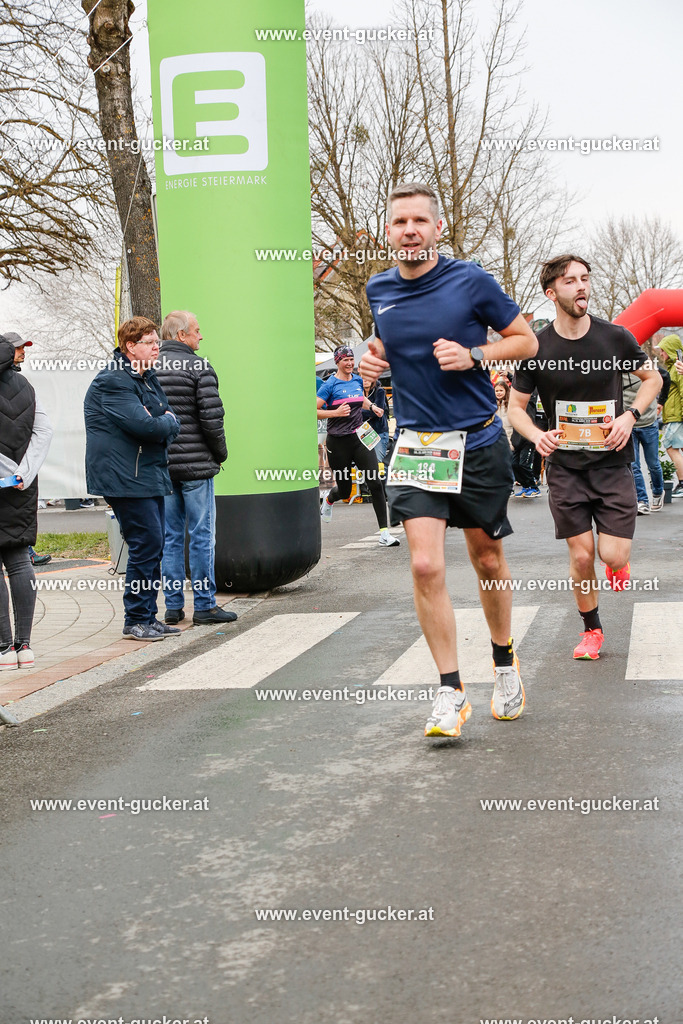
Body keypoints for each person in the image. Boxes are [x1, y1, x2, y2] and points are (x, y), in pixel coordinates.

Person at [360, 182, 538, 737]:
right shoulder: (378, 288)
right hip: (417, 445)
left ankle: (505, 663)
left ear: (437, 229)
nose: (408, 230)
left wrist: (475, 354)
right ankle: (449, 692)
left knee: (486, 560)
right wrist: (374, 358)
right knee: (424, 565)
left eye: (419, 221)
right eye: (398, 222)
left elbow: (526, 341)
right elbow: (389, 338)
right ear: (387, 232)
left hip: (479, 442)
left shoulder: (470, 281)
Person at [508, 255, 662, 661]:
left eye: (585, 279)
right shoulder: (536, 348)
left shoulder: (615, 338)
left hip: (611, 465)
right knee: (580, 555)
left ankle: (618, 564)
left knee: (611, 554)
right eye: (571, 281)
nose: (582, 287)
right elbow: (515, 409)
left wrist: (630, 416)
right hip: (565, 469)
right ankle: (591, 631)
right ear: (551, 292)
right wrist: (537, 436)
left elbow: (653, 378)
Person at [84, 317, 182, 642]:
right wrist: (163, 422)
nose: (157, 347)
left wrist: (163, 421)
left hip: (149, 472)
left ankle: (148, 616)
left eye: (157, 341)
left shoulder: (148, 378)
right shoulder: (113, 381)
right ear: (130, 346)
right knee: (146, 543)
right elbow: (150, 426)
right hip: (124, 476)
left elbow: (168, 419)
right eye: (150, 342)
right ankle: (136, 618)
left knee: (155, 543)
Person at [155, 311, 236, 626]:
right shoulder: (199, 367)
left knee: (171, 536)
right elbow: (212, 420)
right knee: (201, 535)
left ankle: (173, 608)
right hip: (196, 467)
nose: (200, 336)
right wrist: (220, 455)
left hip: (163, 466)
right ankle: (204, 606)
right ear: (180, 335)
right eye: (197, 331)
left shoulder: (149, 367)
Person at [0, 332, 53, 670]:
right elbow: (43, 430)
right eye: (18, 349)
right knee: (19, 562)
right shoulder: (28, 388)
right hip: (22, 487)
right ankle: (25, 647)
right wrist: (23, 473)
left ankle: (3, 648)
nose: (22, 354)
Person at [317, 346, 400, 547]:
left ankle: (384, 533)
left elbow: (359, 398)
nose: (349, 363)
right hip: (338, 443)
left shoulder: (356, 380)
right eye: (345, 360)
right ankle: (330, 499)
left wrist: (372, 406)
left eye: (351, 359)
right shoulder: (329, 385)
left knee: (375, 483)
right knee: (345, 491)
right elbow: (313, 410)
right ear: (337, 362)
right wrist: (335, 414)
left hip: (360, 438)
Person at [622, 368, 664, 514]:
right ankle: (642, 501)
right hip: (629, 424)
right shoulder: (616, 368)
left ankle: (658, 492)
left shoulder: (648, 367)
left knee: (653, 464)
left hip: (649, 423)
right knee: (634, 465)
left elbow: (664, 378)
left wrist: (662, 402)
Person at [656, 334, 683, 498]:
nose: (661, 354)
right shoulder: (673, 368)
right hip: (674, 415)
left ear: (671, 350)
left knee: (671, 447)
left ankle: (682, 483)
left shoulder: (678, 368)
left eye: (663, 350)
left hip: (676, 416)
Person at [362, 374, 390, 463]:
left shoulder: (379, 391)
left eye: (367, 378)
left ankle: (380, 477)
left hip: (379, 432)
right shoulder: (357, 393)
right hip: (363, 433)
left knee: (378, 462)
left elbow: (378, 412)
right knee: (364, 463)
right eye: (362, 378)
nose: (365, 381)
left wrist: (359, 412)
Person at [494, 377, 513, 447]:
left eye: (501, 390)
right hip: (496, 439)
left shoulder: (511, 404)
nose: (499, 393)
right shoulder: (492, 405)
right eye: (497, 391)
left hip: (510, 438)